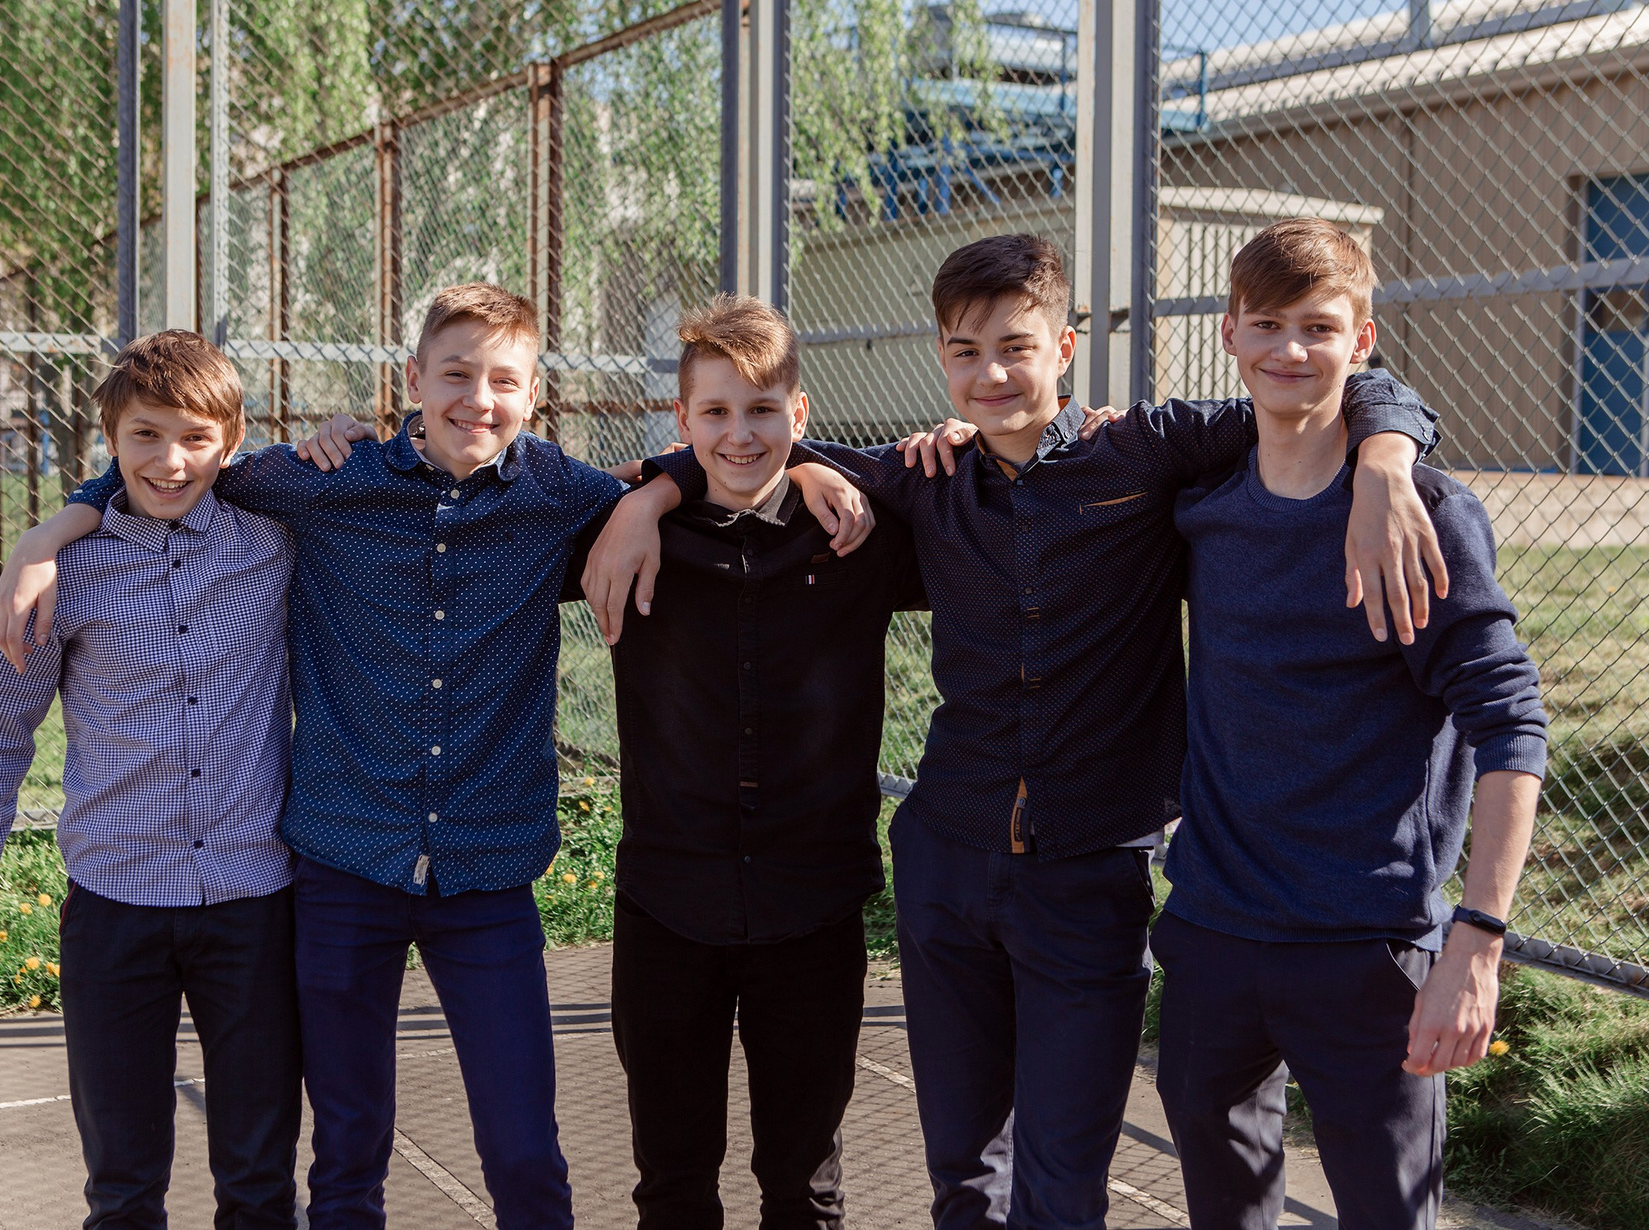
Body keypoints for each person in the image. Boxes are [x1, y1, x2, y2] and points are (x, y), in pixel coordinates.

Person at [585, 234, 1445, 1230]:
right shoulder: (926, 477)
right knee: (962, 1172)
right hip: (948, 864)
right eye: (966, 351)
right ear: (941, 358)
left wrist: (1387, 460)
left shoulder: (1146, 452)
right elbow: (747, 451)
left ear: (1065, 348)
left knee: (1061, 1181)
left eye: (1016, 348)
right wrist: (653, 492)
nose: (991, 374)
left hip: (1087, 868)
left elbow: (1326, 390)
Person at [0, 284, 872, 1229]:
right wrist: (55, 528)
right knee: (348, 1148)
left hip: (487, 873)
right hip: (345, 867)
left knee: (524, 1151)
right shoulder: (324, 482)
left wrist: (784, 469)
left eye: (504, 381)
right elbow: (179, 469)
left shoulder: (561, 495)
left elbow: (709, 462)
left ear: (534, 395)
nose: (477, 400)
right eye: (455, 375)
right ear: (413, 379)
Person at [1153, 217, 1545, 1229]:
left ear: (1362, 341)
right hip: (1213, 935)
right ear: (1230, 333)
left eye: (1320, 328)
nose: (1291, 350)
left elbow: (1512, 727)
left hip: (1368, 948)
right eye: (1268, 325)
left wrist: (1477, 943)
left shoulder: (1424, 516)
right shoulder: (1199, 501)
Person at [0, 330, 305, 1228]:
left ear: (231, 440)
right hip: (114, 911)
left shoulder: (277, 546)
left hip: (254, 907)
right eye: (145, 435)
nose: (170, 462)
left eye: (195, 438)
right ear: (110, 438)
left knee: (261, 1182)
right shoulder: (63, 578)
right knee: (123, 1187)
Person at [580, 295, 923, 1228]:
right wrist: (652, 493)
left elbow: (958, 469)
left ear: (799, 414)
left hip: (812, 904)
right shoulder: (624, 530)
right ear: (682, 419)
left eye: (764, 411)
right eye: (717, 412)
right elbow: (506, 481)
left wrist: (811, 467)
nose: (740, 435)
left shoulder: (857, 531)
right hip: (669, 903)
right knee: (673, 1184)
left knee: (804, 1187)